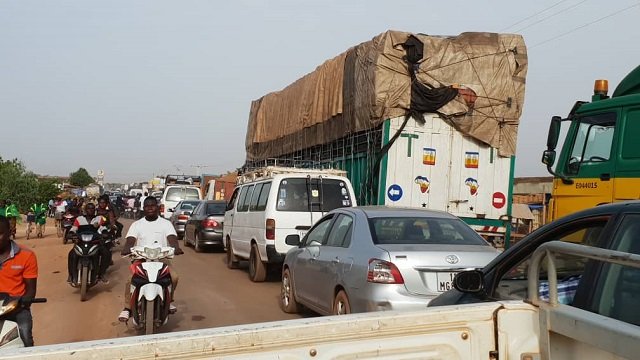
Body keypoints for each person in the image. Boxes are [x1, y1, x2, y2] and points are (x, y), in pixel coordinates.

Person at [118, 196, 183, 322]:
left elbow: (172, 238)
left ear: (158, 207)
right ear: (143, 208)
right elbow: (130, 240)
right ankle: (127, 308)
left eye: (153, 206)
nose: (150, 208)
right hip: (141, 259)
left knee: (173, 277)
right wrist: (127, 248)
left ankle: (169, 301)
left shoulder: (166, 223)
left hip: (161, 259)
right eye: (147, 206)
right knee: (130, 280)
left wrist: (176, 247)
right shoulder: (137, 224)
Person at [0, 216, 38, 346]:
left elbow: (31, 289)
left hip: (15, 308)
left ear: (10, 232)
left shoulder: (26, 255)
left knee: (25, 334)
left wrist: (24, 301)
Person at [67, 203, 111, 285]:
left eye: (93, 209)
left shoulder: (99, 218)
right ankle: (71, 275)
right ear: (85, 210)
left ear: (95, 210)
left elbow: (103, 228)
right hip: (81, 242)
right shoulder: (79, 219)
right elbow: (74, 228)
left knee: (106, 253)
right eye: (89, 208)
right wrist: (71, 233)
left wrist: (105, 233)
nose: (91, 210)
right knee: (71, 255)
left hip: (95, 242)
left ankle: (101, 274)